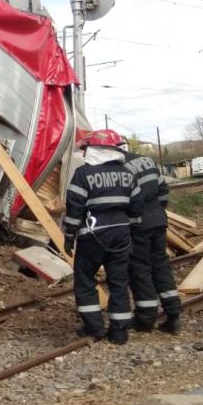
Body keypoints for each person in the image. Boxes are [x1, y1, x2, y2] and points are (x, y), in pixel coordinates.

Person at [63, 129, 144, 344]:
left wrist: (69, 235)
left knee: (84, 280)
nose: (84, 152)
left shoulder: (83, 174)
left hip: (93, 235)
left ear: (94, 149)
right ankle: (119, 332)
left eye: (86, 149)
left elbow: (74, 207)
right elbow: (137, 207)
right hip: (121, 234)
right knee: (119, 282)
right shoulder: (128, 173)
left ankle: (94, 327)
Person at [121, 146, 183, 334]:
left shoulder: (120, 167)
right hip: (158, 219)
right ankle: (173, 314)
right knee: (161, 265)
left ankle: (146, 318)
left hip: (139, 224)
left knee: (140, 268)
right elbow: (163, 190)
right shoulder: (146, 160)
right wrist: (157, 210)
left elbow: (127, 201)